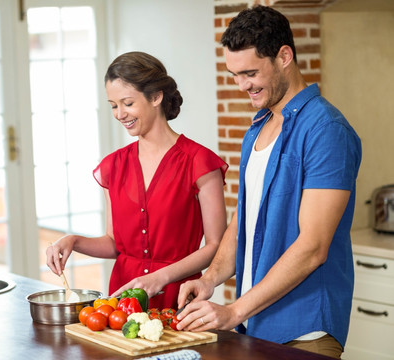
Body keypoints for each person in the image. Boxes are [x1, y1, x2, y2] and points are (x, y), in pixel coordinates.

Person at [175, 5, 361, 359]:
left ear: (284, 56)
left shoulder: (326, 131)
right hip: (257, 323)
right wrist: (210, 279)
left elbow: (313, 247)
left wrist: (233, 312)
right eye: (234, 74)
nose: (242, 85)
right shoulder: (258, 127)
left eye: (250, 73)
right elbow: (243, 220)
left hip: (305, 330)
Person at [46, 51, 228, 310]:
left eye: (127, 103)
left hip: (178, 297)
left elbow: (216, 246)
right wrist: (72, 241)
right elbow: (113, 243)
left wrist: (161, 277)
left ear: (156, 97)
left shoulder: (199, 161)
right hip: (124, 301)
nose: (120, 114)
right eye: (113, 105)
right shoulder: (113, 165)